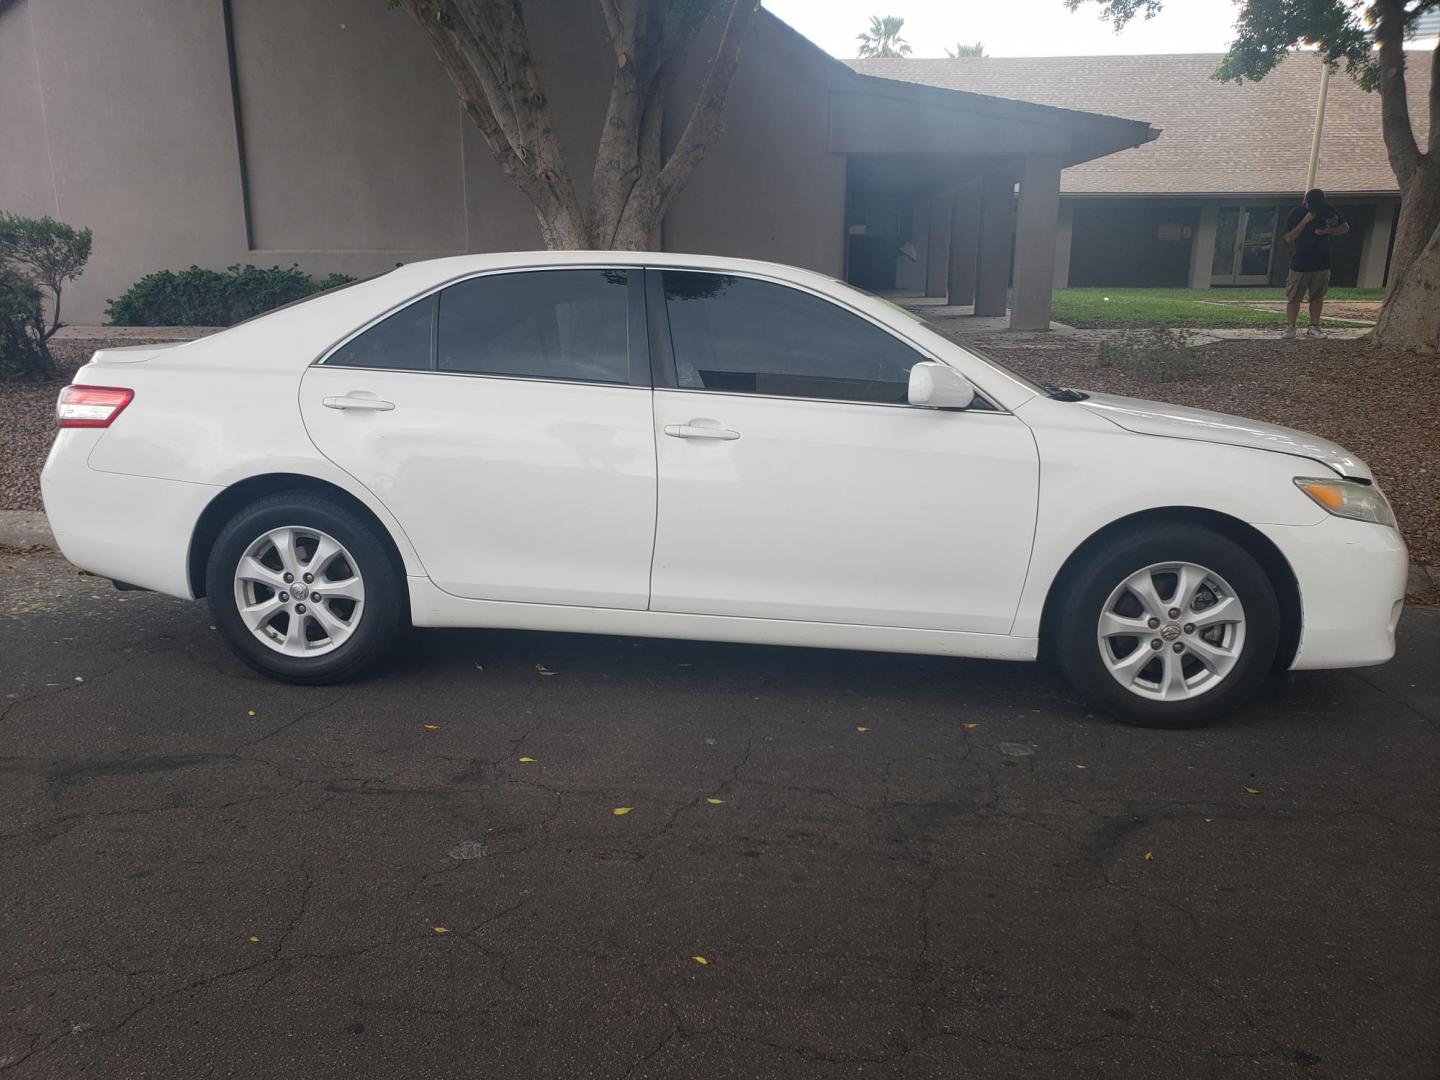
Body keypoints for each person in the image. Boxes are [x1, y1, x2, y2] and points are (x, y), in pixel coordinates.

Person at [1281, 188, 1349, 339]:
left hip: (1322, 262)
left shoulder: (1328, 210)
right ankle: (1290, 327)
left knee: (1317, 297)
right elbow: (1288, 238)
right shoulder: (1296, 213)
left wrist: (1327, 232)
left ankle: (1314, 326)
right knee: (1294, 297)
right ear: (1305, 202)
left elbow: (1345, 227)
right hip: (1300, 262)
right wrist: (1305, 221)